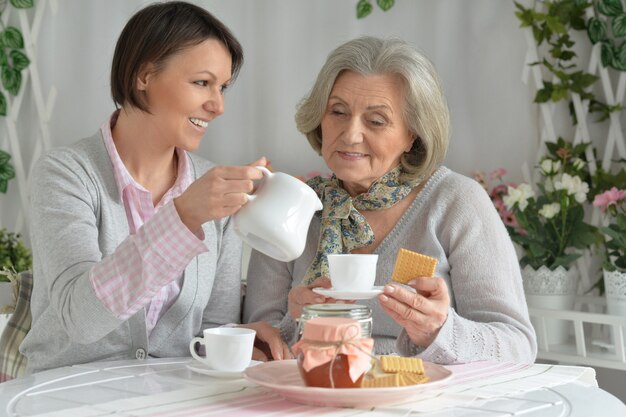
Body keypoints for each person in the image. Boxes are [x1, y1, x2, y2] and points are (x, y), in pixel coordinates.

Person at [21, 1, 289, 373]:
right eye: (202, 82)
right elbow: (79, 318)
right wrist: (183, 217)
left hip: (174, 398)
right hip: (66, 397)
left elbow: (211, 331)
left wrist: (240, 337)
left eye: (223, 87)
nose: (218, 105)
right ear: (144, 76)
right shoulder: (66, 174)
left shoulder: (213, 188)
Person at [243, 36, 537, 363]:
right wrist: (297, 321)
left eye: (376, 120)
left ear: (413, 134)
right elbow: (256, 341)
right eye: (338, 112)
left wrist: (437, 330)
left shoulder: (456, 202)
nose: (350, 133)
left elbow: (517, 346)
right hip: (312, 400)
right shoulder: (292, 205)